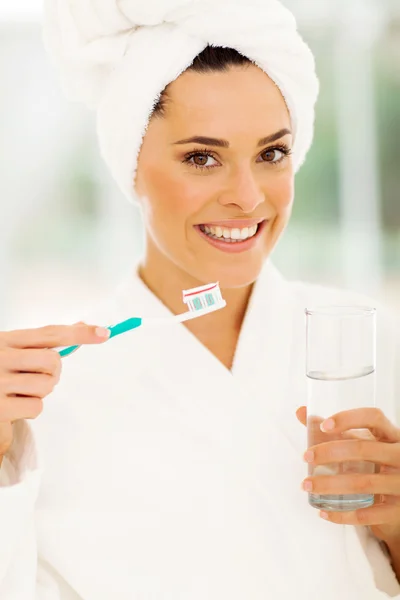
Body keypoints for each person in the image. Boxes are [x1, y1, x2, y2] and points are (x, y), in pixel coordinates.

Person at [0, 0, 399, 598]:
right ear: (130, 166)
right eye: (201, 158)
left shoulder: (375, 346)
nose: (247, 196)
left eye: (272, 154)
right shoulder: (42, 400)